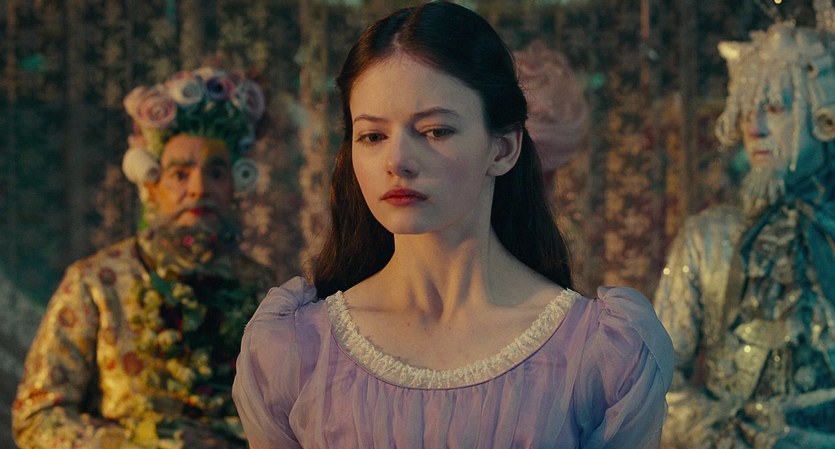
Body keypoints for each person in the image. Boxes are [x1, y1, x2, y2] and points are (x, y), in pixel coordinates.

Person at [232, 2, 673, 448]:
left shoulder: (601, 354)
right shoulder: (295, 350)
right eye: (373, 136)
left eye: (435, 131)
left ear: (503, 149)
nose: (397, 161)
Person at [12, 66, 275, 449]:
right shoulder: (97, 282)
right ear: (152, 186)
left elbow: (287, 418)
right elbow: (36, 419)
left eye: (216, 173)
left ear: (235, 186)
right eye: (180, 174)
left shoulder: (264, 293)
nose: (199, 188)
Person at [654, 14, 835, 449]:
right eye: (746, 111)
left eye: (774, 107)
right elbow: (655, 383)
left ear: (822, 114)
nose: (754, 129)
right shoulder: (707, 239)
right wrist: (722, 437)